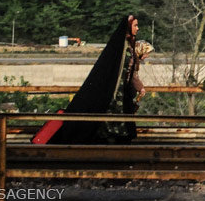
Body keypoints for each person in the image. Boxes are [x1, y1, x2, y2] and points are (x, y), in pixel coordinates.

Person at [38, 14, 142, 144]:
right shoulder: (120, 46)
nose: (137, 29)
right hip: (115, 91)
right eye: (135, 25)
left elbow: (129, 71)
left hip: (122, 91)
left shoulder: (129, 46)